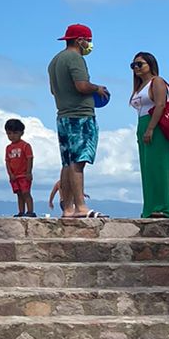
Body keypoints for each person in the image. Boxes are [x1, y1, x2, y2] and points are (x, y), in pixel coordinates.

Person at [47, 24, 108, 220]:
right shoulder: (75, 58)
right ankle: (81, 207)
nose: (89, 45)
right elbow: (81, 86)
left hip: (63, 116)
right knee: (79, 162)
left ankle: (68, 208)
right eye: (88, 41)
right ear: (79, 40)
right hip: (79, 116)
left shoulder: (54, 61)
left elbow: (52, 91)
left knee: (67, 162)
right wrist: (97, 88)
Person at [129, 52, 169, 218]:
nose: (136, 68)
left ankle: (163, 206)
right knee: (147, 167)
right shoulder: (140, 86)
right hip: (143, 123)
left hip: (155, 124)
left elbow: (161, 105)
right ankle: (151, 206)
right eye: (133, 65)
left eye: (140, 64)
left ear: (150, 65)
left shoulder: (157, 81)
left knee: (159, 165)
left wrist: (151, 128)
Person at [4, 120, 35, 217]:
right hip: (15, 176)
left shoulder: (25, 146)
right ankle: (21, 211)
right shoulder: (8, 148)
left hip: (24, 175)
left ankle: (30, 211)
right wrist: (10, 174)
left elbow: (29, 158)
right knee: (19, 194)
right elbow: (7, 162)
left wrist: (28, 172)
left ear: (21, 133)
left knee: (26, 193)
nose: (12, 136)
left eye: (15, 133)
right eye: (9, 133)